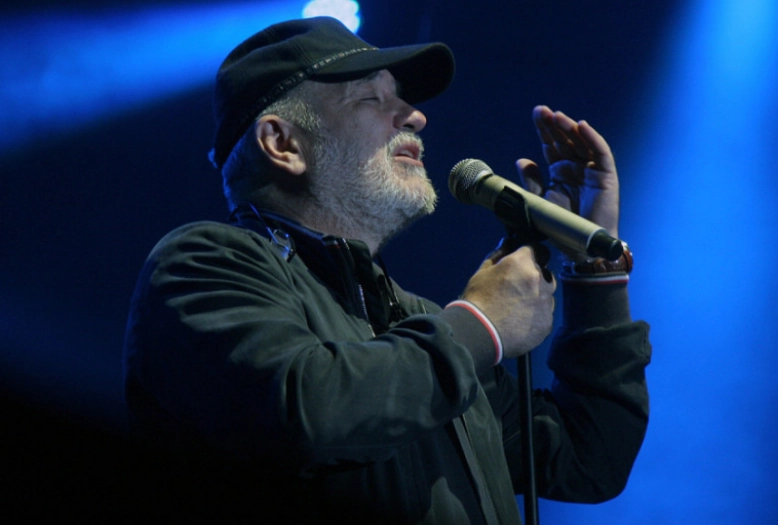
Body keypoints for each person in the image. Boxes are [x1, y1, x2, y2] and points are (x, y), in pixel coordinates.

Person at [123, 16, 651, 525]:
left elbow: (590, 459)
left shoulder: (414, 320)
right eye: (372, 98)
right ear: (283, 143)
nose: (415, 116)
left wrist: (594, 269)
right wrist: (480, 325)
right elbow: (305, 414)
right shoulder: (201, 264)